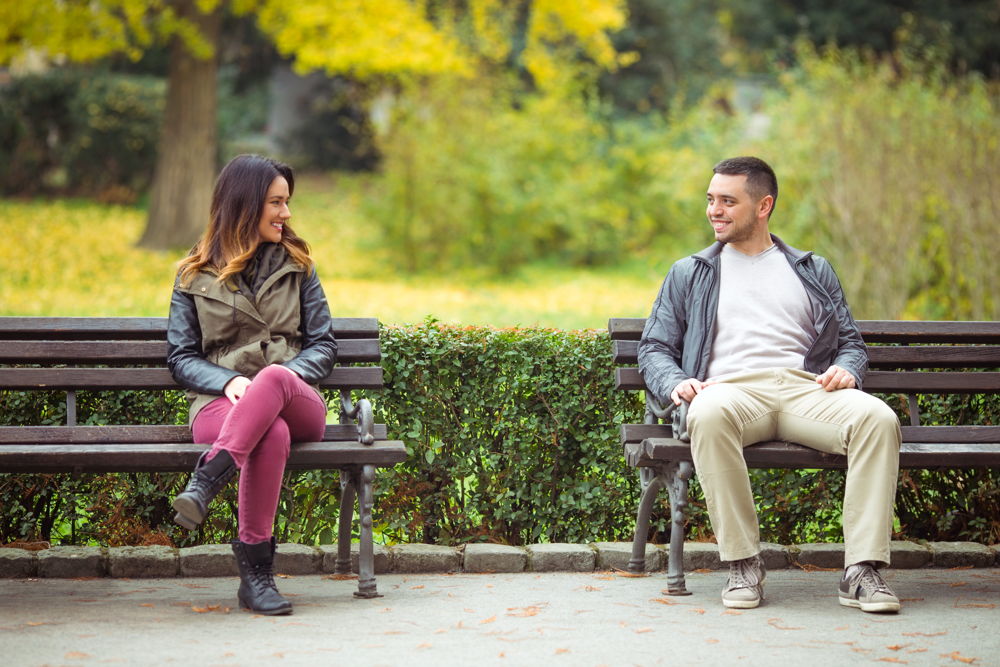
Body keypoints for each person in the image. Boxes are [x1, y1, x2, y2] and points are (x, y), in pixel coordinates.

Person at [637, 156, 902, 613]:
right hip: (731, 391)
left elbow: (851, 343)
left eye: (727, 201)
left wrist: (847, 369)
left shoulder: (811, 269)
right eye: (710, 200)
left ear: (764, 206)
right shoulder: (691, 272)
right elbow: (654, 347)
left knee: (878, 419)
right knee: (707, 414)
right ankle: (743, 563)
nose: (714, 210)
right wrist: (675, 381)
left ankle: (861, 571)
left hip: (806, 389)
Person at [166, 154, 337, 616]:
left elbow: (323, 346)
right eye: (276, 202)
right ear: (244, 204)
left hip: (296, 400)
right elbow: (181, 357)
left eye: (287, 202)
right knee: (270, 432)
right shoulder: (193, 273)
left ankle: (207, 479)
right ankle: (257, 579)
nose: (286, 213)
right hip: (221, 406)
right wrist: (228, 382)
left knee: (275, 377)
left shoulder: (298, 266)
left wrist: (282, 379)